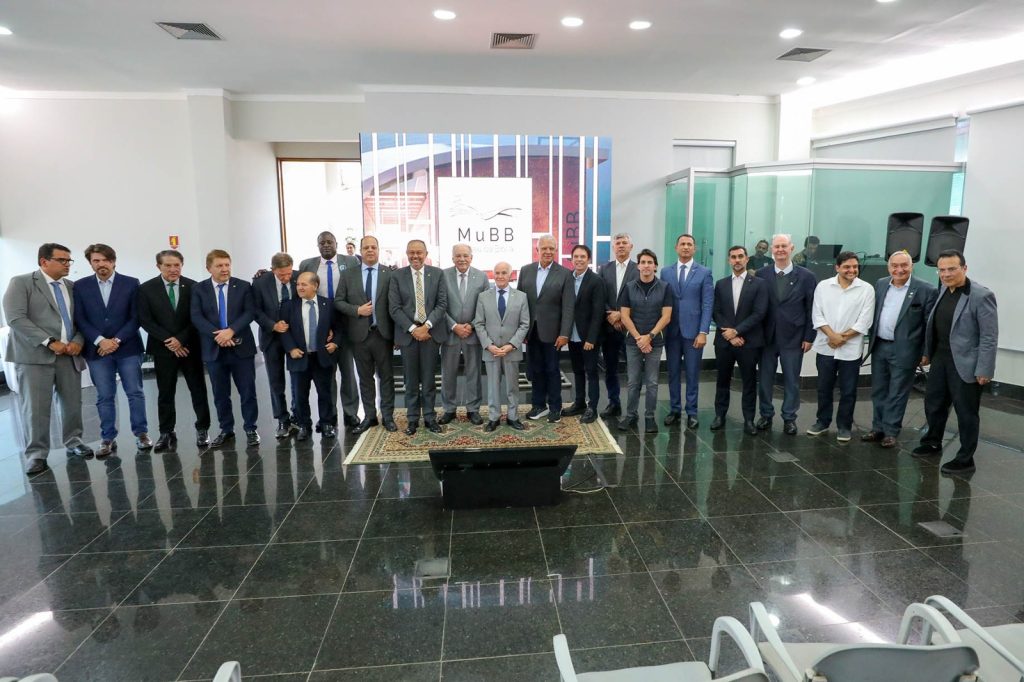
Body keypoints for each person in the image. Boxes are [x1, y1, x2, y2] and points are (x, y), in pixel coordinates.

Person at [3, 243, 93, 474]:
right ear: (44, 261)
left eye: (69, 260)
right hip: (34, 356)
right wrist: (50, 342)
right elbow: (15, 318)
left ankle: (74, 441)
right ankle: (36, 454)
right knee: (36, 408)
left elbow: (82, 320)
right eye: (62, 260)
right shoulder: (21, 283)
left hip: (69, 355)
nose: (67, 264)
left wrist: (78, 341)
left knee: (72, 404)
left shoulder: (72, 287)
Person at [913, 249, 998, 474]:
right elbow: (935, 325)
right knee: (934, 404)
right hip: (940, 359)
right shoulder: (943, 289)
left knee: (966, 412)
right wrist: (927, 352)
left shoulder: (981, 295)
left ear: (964, 268)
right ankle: (932, 442)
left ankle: (965, 459)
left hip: (966, 364)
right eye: (942, 270)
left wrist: (984, 369)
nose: (946, 274)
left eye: (952, 269)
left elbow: (989, 336)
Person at [73, 243, 150, 457]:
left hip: (127, 347)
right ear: (91, 264)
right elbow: (80, 318)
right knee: (104, 395)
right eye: (96, 260)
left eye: (105, 260)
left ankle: (141, 434)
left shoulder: (131, 283)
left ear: (113, 261)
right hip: (97, 350)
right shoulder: (80, 286)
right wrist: (100, 341)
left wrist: (115, 340)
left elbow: (136, 317)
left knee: (135, 392)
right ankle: (107, 437)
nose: (101, 264)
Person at [136, 249, 211, 451]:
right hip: (163, 348)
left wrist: (181, 340)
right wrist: (170, 341)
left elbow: (197, 317)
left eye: (176, 265)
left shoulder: (194, 287)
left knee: (198, 389)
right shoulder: (146, 289)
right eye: (167, 265)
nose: (173, 269)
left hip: (189, 347)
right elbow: (145, 320)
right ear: (158, 266)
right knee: (165, 392)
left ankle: (203, 428)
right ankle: (166, 431)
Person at [863, 251, 937, 448]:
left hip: (906, 349)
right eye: (894, 266)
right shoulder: (881, 284)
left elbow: (929, 325)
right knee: (878, 390)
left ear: (911, 266)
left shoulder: (926, 289)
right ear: (889, 267)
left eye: (904, 265)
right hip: (880, 346)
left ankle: (891, 431)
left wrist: (926, 352)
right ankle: (877, 428)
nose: (899, 270)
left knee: (897, 392)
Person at [191, 249, 260, 447]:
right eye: (219, 265)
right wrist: (219, 335)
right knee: (220, 394)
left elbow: (249, 312)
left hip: (241, 348)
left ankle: (251, 428)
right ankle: (226, 429)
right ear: (209, 268)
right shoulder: (199, 289)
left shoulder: (243, 286)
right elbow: (196, 317)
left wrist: (231, 331)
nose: (224, 269)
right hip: (214, 349)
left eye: (227, 265)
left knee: (247, 391)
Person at [806, 251, 874, 442]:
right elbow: (817, 315)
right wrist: (832, 336)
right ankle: (822, 422)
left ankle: (844, 426)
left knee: (848, 390)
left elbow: (865, 321)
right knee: (823, 388)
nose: (852, 270)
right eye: (847, 267)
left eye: (855, 266)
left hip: (850, 349)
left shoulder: (866, 289)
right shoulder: (823, 286)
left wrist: (841, 338)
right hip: (825, 346)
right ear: (837, 268)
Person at [298, 230, 361, 429]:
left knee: (348, 371)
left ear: (336, 244)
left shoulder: (351, 261)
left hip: (347, 323)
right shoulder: (307, 265)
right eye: (322, 243)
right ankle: (329, 415)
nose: (326, 245)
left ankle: (351, 413)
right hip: (321, 326)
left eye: (329, 242)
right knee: (326, 373)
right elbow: (295, 282)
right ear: (317, 245)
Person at [756, 233, 818, 434]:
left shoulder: (807, 277)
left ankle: (789, 417)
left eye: (784, 246)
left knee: (791, 380)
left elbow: (811, 308)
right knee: (765, 379)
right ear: (772, 250)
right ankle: (766, 415)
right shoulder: (761, 274)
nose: (780, 250)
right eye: (777, 246)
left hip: (794, 337)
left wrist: (809, 336)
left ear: (792, 248)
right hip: (766, 337)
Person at [335, 235, 397, 434]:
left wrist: (396, 336)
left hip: (383, 334)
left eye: (373, 247)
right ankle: (370, 416)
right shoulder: (348, 274)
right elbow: (338, 301)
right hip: (359, 335)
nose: (370, 250)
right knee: (365, 378)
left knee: (386, 378)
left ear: (378, 250)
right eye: (366, 247)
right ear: (360, 251)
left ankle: (388, 416)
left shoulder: (390, 274)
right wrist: (357, 310)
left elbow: (395, 306)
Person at [389, 239, 448, 435]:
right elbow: (394, 308)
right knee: (411, 381)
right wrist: (413, 329)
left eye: (419, 252)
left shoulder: (437, 274)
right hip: (408, 335)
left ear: (426, 254)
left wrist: (427, 326)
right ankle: (413, 419)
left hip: (430, 334)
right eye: (411, 252)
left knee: (429, 379)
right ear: (407, 254)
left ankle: (430, 417)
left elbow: (442, 304)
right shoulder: (397, 276)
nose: (415, 256)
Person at [711, 246, 769, 435]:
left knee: (749, 382)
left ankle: (749, 420)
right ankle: (720, 416)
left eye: (740, 257)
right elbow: (716, 312)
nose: (737, 260)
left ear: (746, 259)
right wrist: (730, 334)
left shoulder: (759, 284)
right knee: (722, 380)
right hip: (724, 342)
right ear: (729, 260)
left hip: (749, 342)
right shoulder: (721, 284)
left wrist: (736, 332)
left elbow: (759, 313)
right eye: (733, 257)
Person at [518, 234, 575, 423]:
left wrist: (565, 333)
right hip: (531, 332)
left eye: (551, 248)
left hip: (554, 333)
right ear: (537, 250)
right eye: (544, 248)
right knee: (535, 370)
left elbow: (568, 307)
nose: (548, 251)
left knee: (552, 370)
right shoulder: (526, 271)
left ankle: (555, 407)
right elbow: (519, 303)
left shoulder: (565, 274)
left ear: (556, 250)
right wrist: (521, 330)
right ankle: (538, 405)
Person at [280, 272, 342, 440]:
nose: (299, 287)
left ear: (315, 286)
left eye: (304, 284)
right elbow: (283, 331)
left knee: (325, 393)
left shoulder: (328, 304)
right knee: (300, 395)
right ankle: (304, 426)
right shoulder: (289, 306)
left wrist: (335, 343)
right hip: (299, 357)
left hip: (322, 357)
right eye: (298, 284)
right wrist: (291, 348)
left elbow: (338, 327)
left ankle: (326, 424)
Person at [662, 233, 713, 429]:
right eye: (682, 244)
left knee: (692, 374)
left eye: (689, 244)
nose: (685, 247)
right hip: (672, 332)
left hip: (694, 333)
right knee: (673, 373)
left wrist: (703, 332)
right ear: (676, 248)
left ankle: (692, 412)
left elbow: (707, 304)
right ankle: (674, 409)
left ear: (694, 249)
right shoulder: (666, 272)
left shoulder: (704, 272)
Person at [619, 249, 673, 434]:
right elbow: (625, 316)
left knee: (652, 382)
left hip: (655, 342)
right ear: (638, 266)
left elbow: (666, 316)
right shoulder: (629, 287)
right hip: (633, 341)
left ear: (655, 266)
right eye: (643, 262)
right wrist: (638, 338)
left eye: (650, 262)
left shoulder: (665, 287)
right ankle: (631, 415)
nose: (646, 265)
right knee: (633, 381)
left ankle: (650, 417)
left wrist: (649, 337)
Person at [473, 261, 530, 431]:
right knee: (493, 387)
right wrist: (488, 345)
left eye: (504, 273)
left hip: (511, 351)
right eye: (497, 273)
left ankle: (513, 417)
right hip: (491, 351)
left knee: (512, 386)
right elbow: (479, 324)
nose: (500, 276)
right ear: (493, 274)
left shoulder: (521, 296)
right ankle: (494, 418)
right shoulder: (483, 297)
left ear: (510, 275)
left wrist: (512, 345)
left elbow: (524, 324)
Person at [439, 244, 490, 426]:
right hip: (450, 333)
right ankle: (449, 409)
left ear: (471, 257)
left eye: (465, 256)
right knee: (448, 373)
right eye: (458, 256)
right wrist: (454, 326)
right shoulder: (443, 275)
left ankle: (473, 409)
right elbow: (439, 304)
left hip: (472, 333)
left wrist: (471, 325)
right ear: (452, 258)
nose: (462, 259)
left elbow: (485, 305)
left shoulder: (481, 277)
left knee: (473, 373)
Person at [252, 252, 298, 439]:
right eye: (281, 274)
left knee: (297, 377)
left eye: (289, 273)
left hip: (295, 336)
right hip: (271, 336)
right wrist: (273, 325)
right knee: (275, 380)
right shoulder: (260, 283)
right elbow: (255, 310)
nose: (286, 278)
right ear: (273, 270)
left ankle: (297, 414)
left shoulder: (299, 277)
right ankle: (282, 418)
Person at [597, 232, 638, 420]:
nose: (621, 245)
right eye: (618, 243)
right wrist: (611, 315)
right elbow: (600, 296)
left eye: (624, 243)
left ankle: (632, 408)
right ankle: (614, 402)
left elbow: (641, 297)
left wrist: (621, 314)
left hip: (632, 329)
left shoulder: (638, 269)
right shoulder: (604, 269)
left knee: (633, 370)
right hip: (609, 327)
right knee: (610, 368)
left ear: (631, 247)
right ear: (613, 247)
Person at [565, 244, 606, 423]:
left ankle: (592, 407)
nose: (579, 260)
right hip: (572, 334)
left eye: (583, 256)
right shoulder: (567, 278)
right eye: (576, 256)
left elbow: (598, 312)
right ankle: (579, 402)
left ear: (588, 259)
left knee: (591, 372)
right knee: (577, 370)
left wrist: (591, 338)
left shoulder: (596, 280)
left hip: (588, 337)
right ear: (572, 259)